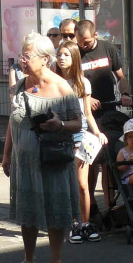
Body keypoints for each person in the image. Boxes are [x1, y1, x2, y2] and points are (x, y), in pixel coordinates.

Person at [3, 32, 82, 263]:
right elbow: (12, 122)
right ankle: (28, 258)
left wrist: (59, 124)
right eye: (21, 56)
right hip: (24, 162)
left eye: (27, 56)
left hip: (52, 160)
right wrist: (6, 154)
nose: (22, 61)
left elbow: (77, 124)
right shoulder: (19, 84)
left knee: (54, 208)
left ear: (45, 59)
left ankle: (56, 261)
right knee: (28, 209)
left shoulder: (61, 87)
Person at [74, 19, 132, 227]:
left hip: (108, 111)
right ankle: (89, 207)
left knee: (109, 159)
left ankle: (111, 207)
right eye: (80, 42)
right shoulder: (74, 53)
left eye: (87, 42)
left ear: (95, 35)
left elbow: (120, 76)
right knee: (90, 162)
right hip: (86, 116)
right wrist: (85, 98)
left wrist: (125, 93)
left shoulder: (108, 49)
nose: (83, 46)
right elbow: (69, 83)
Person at [55, 39, 102, 243]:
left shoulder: (82, 82)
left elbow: (87, 114)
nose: (61, 58)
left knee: (82, 184)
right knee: (68, 184)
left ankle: (85, 223)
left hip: (81, 136)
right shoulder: (53, 81)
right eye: (59, 55)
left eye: (65, 54)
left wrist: (98, 132)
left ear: (74, 57)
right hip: (60, 136)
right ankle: (73, 223)